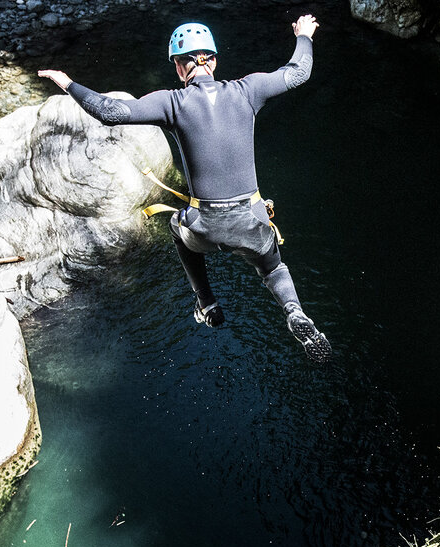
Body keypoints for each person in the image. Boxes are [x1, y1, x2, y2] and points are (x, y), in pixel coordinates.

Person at [38, 15, 332, 363]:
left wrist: (68, 83)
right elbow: (298, 73)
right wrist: (304, 36)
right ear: (214, 61)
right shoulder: (248, 90)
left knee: (177, 226)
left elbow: (110, 111)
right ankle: (294, 311)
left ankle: (206, 303)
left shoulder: (172, 102)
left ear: (179, 68)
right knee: (273, 269)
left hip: (204, 228)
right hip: (250, 221)